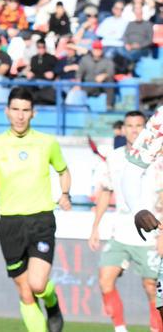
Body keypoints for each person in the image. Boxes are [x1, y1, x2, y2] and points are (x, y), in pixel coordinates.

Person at [0, 87, 69, 332]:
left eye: (25, 110)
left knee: (37, 284)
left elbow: (63, 170)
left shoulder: (47, 143)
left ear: (33, 114)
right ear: (7, 112)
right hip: (10, 224)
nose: (20, 115)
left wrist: (65, 194)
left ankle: (52, 301)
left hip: (41, 219)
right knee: (25, 292)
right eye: (15, 109)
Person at [88, 111, 163, 332]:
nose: (134, 130)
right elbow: (105, 192)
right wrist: (95, 227)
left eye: (138, 125)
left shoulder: (157, 158)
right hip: (121, 231)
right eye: (129, 125)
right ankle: (120, 329)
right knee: (105, 278)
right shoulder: (115, 157)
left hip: (151, 232)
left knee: (152, 287)